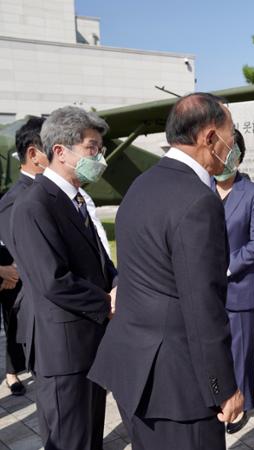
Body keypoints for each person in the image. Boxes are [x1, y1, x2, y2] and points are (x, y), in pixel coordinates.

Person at [89, 93, 243, 450]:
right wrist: (224, 387)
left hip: (134, 371)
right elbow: (203, 304)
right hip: (177, 386)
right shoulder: (197, 200)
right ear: (208, 137)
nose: (232, 143)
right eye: (230, 133)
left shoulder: (142, 185)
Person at [9, 106, 118, 450]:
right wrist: (106, 302)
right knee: (71, 441)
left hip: (90, 344)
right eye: (92, 148)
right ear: (60, 151)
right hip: (64, 353)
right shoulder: (34, 205)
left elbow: (101, 262)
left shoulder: (76, 200)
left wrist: (117, 284)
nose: (99, 157)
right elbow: (52, 279)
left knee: (90, 438)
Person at [212, 128, 254, 433]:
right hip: (207, 289)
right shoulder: (202, 187)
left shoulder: (253, 192)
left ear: (237, 155)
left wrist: (229, 267)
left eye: (227, 152)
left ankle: (242, 404)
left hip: (239, 286)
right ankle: (218, 398)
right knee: (213, 347)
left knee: (240, 350)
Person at [0, 117, 48, 395]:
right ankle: (12, 372)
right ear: (32, 153)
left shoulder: (47, 190)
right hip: (23, 285)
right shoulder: (16, 198)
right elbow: (17, 247)